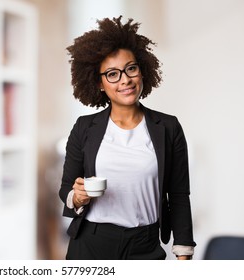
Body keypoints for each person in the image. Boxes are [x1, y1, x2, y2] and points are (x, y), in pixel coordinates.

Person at [59, 16, 196, 260]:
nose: (125, 79)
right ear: (99, 83)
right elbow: (66, 189)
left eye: (131, 68)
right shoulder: (84, 127)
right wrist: (77, 196)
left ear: (142, 70)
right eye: (112, 74)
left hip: (145, 244)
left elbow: (178, 194)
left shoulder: (168, 127)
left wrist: (183, 253)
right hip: (91, 244)